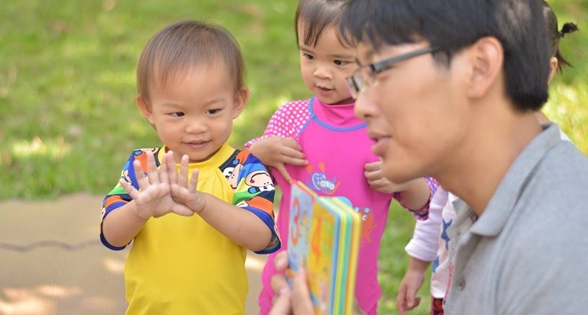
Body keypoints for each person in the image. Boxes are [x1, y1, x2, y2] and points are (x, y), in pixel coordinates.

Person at [271, 0, 588, 314]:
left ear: (479, 67)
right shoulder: (484, 199)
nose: (360, 106)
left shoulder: (559, 252)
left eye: (380, 70)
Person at [245, 0, 437, 314]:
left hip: (354, 294)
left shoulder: (386, 126)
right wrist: (257, 153)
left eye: (339, 61)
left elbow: (427, 202)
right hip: (286, 285)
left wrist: (403, 179)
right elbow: (243, 181)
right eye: (308, 55)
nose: (321, 72)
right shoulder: (291, 119)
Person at [396, 2, 579, 314]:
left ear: (546, 71)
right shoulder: (462, 145)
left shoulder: (558, 189)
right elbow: (438, 209)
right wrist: (417, 266)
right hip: (449, 293)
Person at [99, 20, 280, 315]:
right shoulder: (143, 167)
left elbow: (261, 237)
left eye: (212, 111)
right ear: (148, 109)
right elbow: (111, 235)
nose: (196, 127)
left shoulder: (244, 168)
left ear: (237, 102)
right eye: (178, 113)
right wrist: (139, 210)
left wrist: (201, 203)